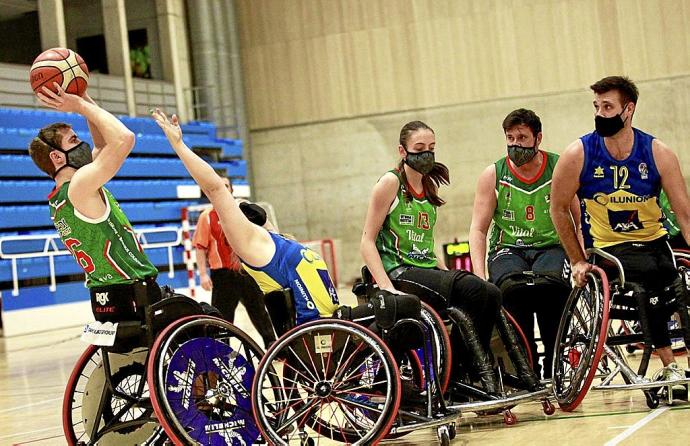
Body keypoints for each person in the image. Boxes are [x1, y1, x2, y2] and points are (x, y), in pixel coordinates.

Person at [152, 108, 427, 408]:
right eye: (235, 206)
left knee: (406, 311)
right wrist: (179, 144)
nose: (239, 204)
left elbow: (263, 222)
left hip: (333, 321)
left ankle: (392, 386)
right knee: (405, 308)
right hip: (321, 332)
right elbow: (215, 187)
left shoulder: (275, 239)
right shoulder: (250, 243)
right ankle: (391, 388)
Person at [360, 120, 541, 393]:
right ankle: (464, 368)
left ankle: (459, 367)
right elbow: (366, 241)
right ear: (402, 150)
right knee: (476, 291)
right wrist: (386, 285)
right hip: (400, 272)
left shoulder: (427, 186)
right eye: (419, 148)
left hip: (424, 269)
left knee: (490, 293)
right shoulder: (390, 183)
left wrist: (443, 270)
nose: (427, 154)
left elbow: (425, 243)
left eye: (431, 148)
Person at [550, 75, 690, 384]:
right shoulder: (579, 154)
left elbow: (685, 216)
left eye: (608, 106)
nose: (600, 113)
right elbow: (558, 209)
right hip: (607, 248)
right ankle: (669, 365)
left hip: (654, 242)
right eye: (597, 106)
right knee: (650, 275)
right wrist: (577, 260)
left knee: (677, 278)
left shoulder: (658, 153)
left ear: (628, 110)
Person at [28, 83, 163, 320]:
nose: (83, 144)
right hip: (133, 291)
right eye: (74, 140)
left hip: (105, 294)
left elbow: (102, 144)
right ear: (57, 157)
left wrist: (82, 95)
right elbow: (124, 138)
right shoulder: (80, 185)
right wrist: (79, 106)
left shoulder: (63, 194)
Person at [469, 108, 576, 379]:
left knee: (551, 287)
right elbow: (478, 230)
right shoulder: (493, 174)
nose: (515, 144)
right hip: (509, 247)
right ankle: (526, 369)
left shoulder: (559, 167)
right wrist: (480, 275)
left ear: (538, 138)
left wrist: (580, 259)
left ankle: (557, 367)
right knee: (513, 290)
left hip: (551, 244)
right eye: (510, 138)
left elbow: (579, 217)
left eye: (522, 137)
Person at [193, 177, 276, 348]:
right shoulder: (206, 217)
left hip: (247, 270)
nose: (222, 189)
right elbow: (200, 247)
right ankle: (220, 352)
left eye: (226, 186)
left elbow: (266, 230)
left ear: (231, 189)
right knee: (221, 318)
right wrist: (202, 274)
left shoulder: (243, 210)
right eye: (219, 186)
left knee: (260, 311)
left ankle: (274, 347)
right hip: (223, 275)